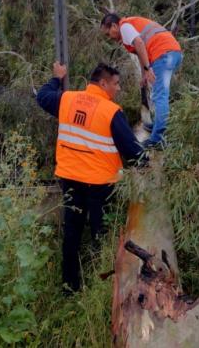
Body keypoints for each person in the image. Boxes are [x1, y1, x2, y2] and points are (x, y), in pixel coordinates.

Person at [36, 62, 145, 293]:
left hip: (70, 180)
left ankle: (69, 286)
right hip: (100, 185)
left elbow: (43, 96)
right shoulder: (111, 111)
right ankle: (101, 287)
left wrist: (57, 78)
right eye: (115, 84)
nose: (118, 89)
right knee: (101, 234)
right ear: (103, 83)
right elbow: (132, 150)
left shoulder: (67, 99)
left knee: (72, 233)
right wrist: (148, 163)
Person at [101, 14, 183, 148]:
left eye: (108, 33)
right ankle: (155, 126)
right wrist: (144, 74)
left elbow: (139, 43)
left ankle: (157, 139)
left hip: (163, 53)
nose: (109, 37)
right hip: (171, 52)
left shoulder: (125, 27)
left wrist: (147, 67)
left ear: (114, 26)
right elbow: (140, 50)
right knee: (157, 93)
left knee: (159, 96)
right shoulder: (129, 27)